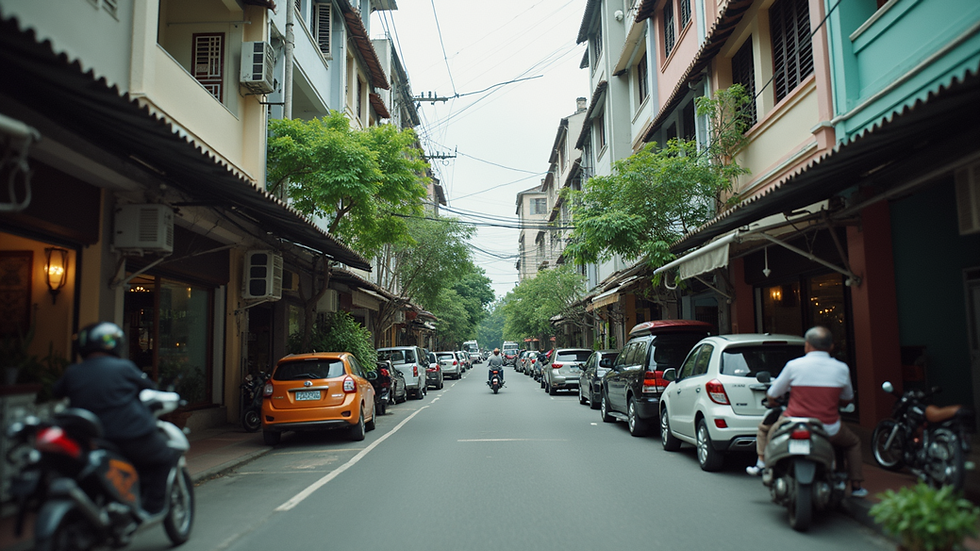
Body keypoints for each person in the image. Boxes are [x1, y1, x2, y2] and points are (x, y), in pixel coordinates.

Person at [52, 322, 175, 514]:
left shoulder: (73, 371)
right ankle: (152, 508)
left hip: (90, 440)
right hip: (129, 435)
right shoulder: (124, 367)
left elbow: (56, 392)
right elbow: (149, 388)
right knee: (166, 457)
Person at [746, 326, 867, 498]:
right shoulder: (841, 368)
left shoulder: (794, 365)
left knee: (767, 430)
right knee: (853, 443)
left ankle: (762, 464)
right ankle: (856, 485)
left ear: (807, 345)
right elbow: (848, 399)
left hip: (792, 423)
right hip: (828, 428)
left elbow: (773, 393)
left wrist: (773, 401)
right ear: (831, 347)